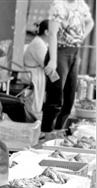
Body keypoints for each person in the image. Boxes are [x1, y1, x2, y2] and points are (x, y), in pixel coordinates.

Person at [41, 0, 94, 137]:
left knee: (69, 98)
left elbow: (90, 22)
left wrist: (79, 38)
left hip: (74, 52)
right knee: (55, 97)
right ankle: (46, 132)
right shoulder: (59, 5)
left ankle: (59, 132)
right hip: (59, 53)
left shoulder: (80, 4)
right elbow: (52, 34)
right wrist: (53, 60)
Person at [20, 20, 52, 120]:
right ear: (47, 32)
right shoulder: (39, 45)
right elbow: (48, 66)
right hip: (33, 75)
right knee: (57, 84)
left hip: (35, 73)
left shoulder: (40, 42)